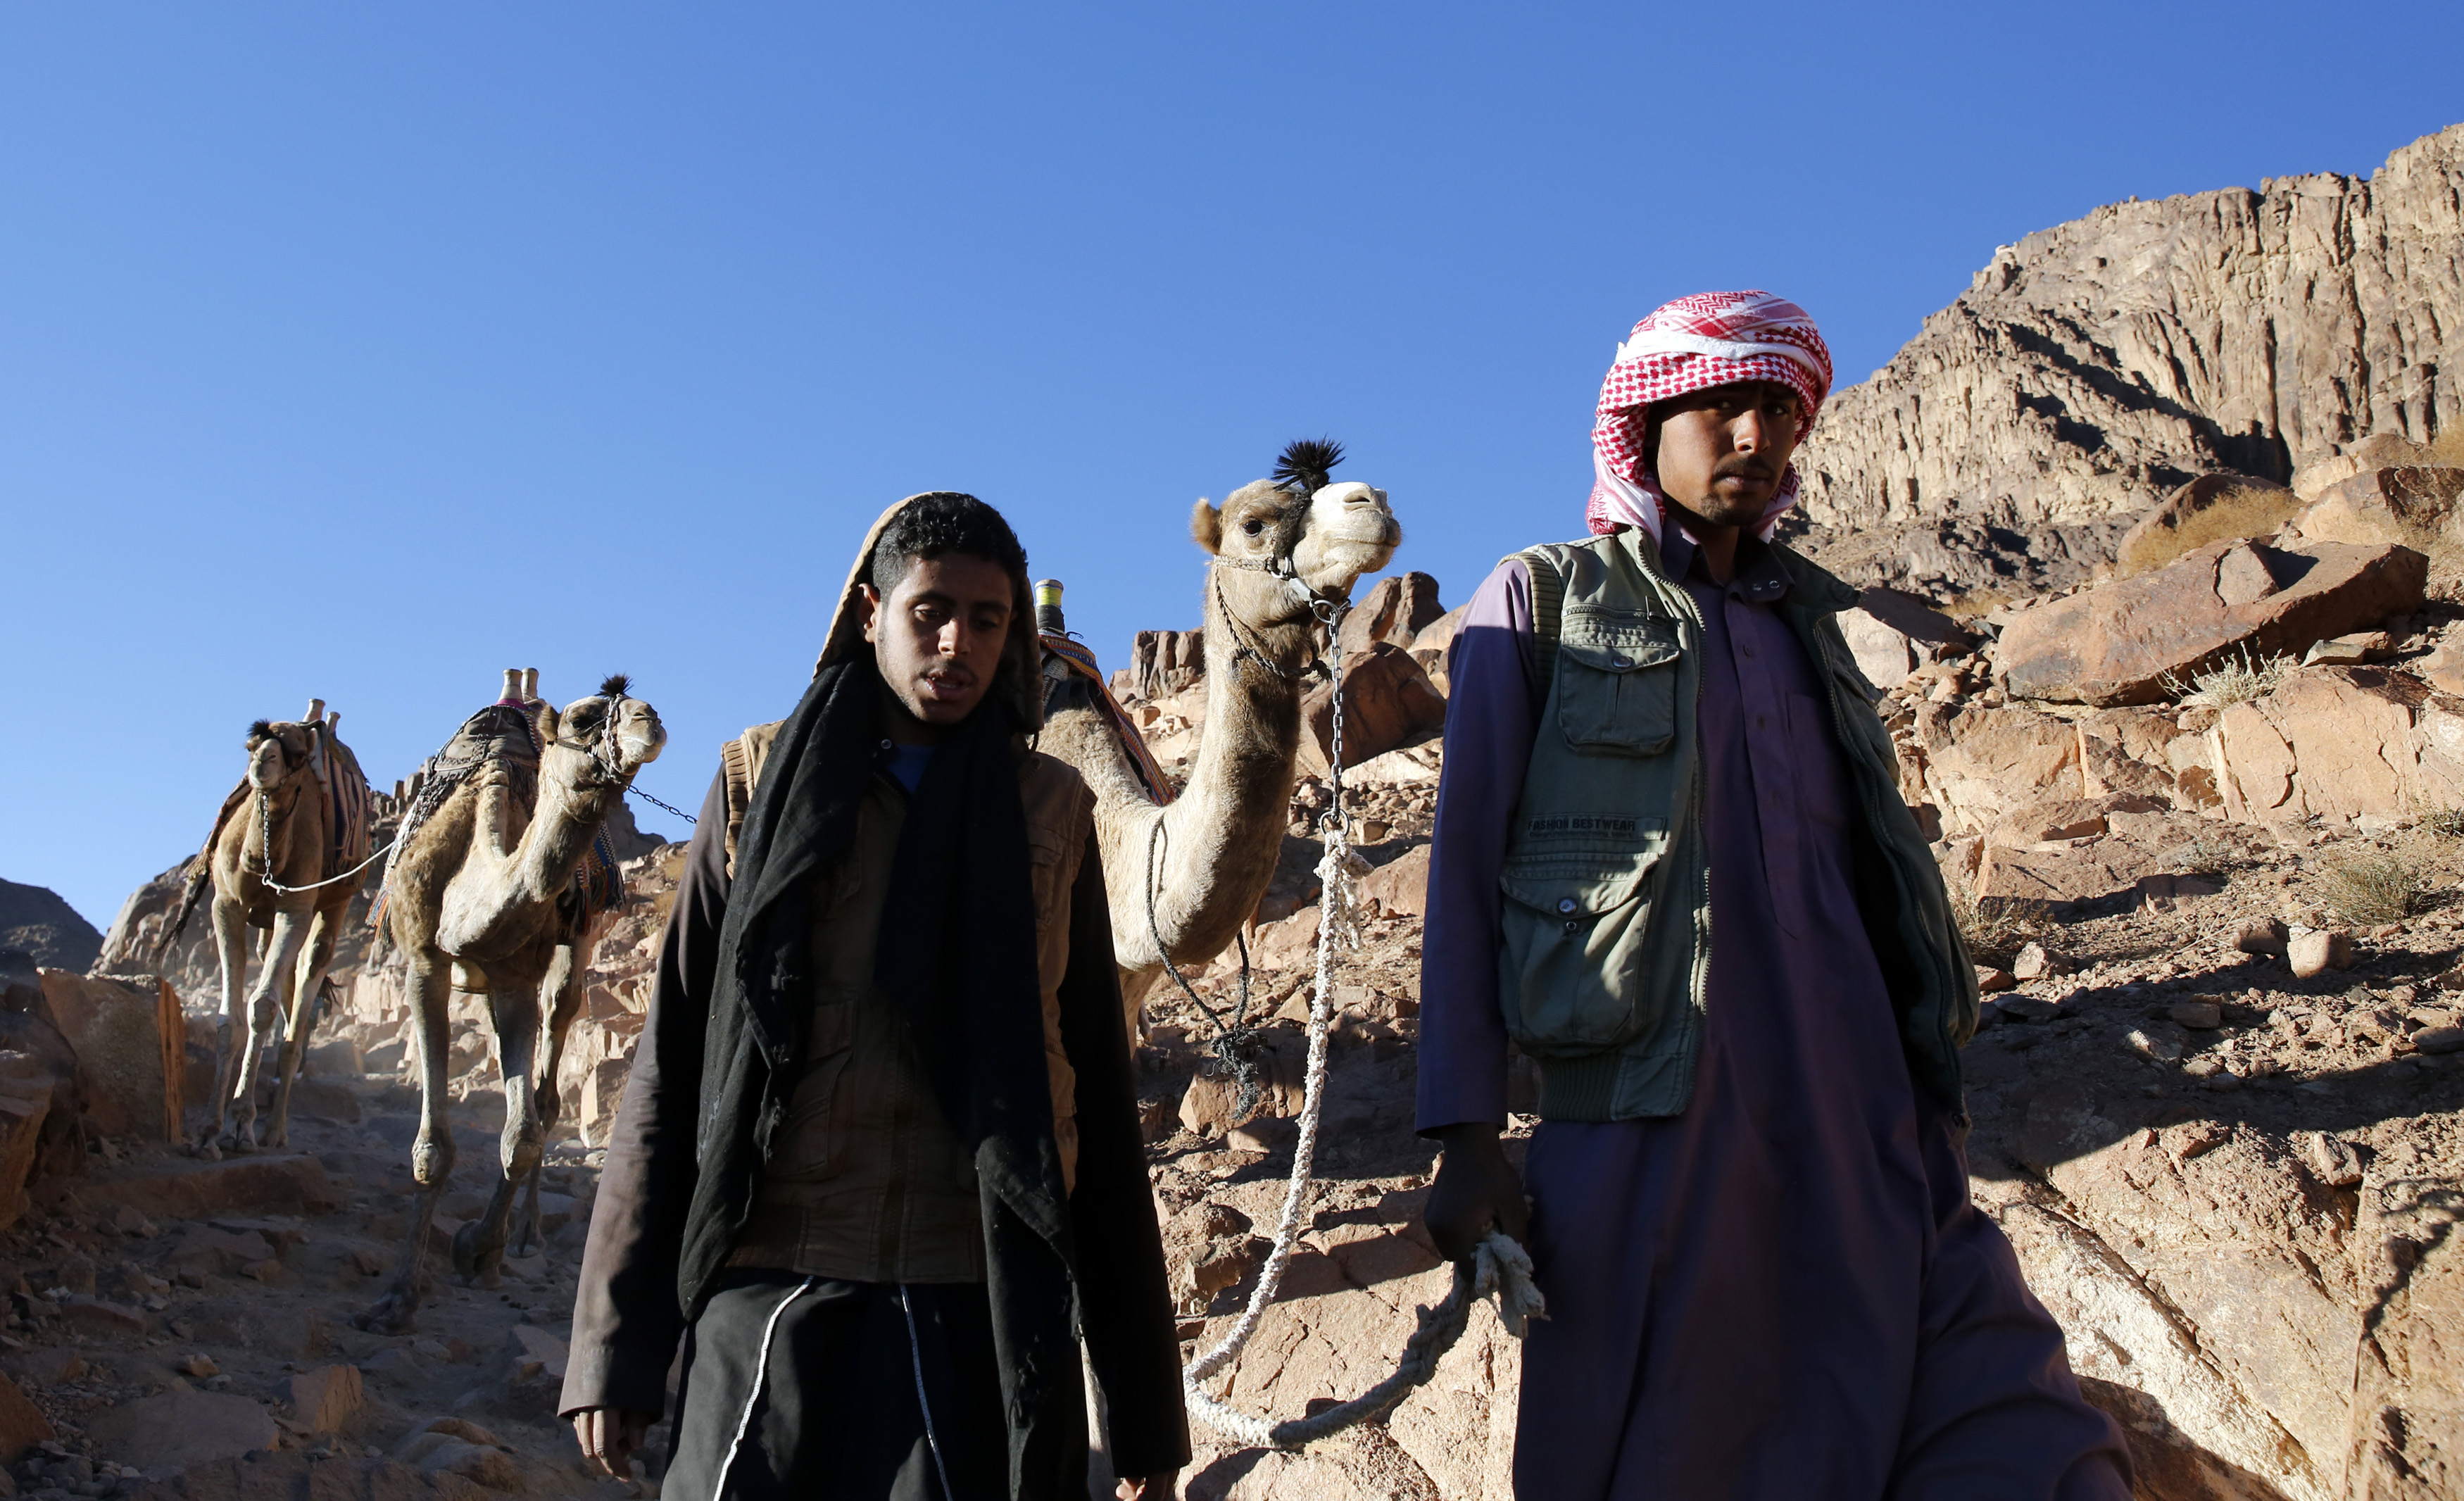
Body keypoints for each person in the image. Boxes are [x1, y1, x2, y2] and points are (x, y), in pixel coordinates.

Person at [1414, 292, 2133, 1499]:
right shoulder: (1540, 604)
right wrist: (1465, 1134)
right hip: (1652, 1129)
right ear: (1648, 425)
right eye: (1724, 405)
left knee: (2026, 1441)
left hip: (1869, 1120)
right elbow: (1462, 876)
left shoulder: (1814, 628)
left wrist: (1925, 1096)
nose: (1756, 434)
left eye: (1779, 410)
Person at [560, 493, 1188, 1500]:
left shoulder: (1052, 810)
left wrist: (1145, 1409)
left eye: (989, 621)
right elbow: (679, 1054)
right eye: (929, 612)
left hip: (977, 1295)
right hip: (775, 1281)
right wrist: (614, 1347)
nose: (958, 644)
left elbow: (1098, 1104)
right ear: (869, 613)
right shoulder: (756, 781)